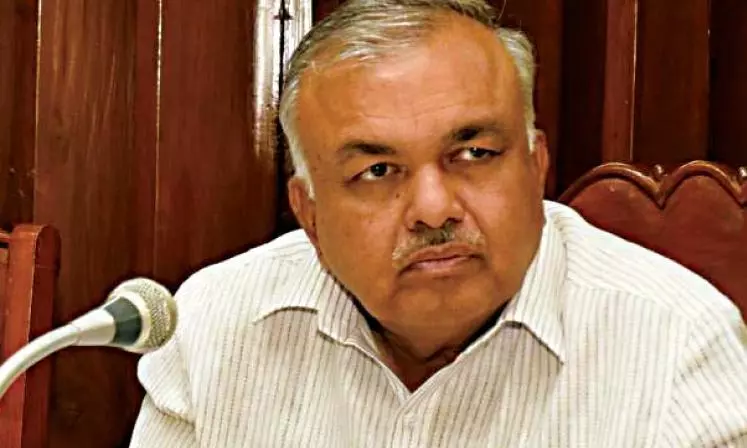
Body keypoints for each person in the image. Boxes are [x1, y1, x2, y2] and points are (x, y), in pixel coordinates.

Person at [129, 0, 747, 446]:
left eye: (474, 154)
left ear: (536, 168)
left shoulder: (677, 348)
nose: (433, 208)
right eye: (377, 171)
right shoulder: (215, 325)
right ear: (309, 212)